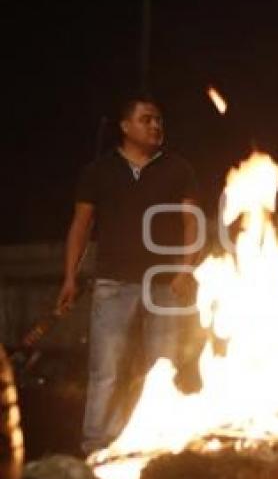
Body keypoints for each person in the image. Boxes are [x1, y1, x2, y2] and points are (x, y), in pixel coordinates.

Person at [56, 94, 200, 454]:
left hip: (165, 287)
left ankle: (156, 448)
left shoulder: (178, 169)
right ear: (125, 127)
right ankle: (97, 447)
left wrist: (185, 269)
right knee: (106, 369)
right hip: (113, 283)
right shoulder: (98, 171)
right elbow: (81, 226)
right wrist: (70, 277)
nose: (156, 126)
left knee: (161, 370)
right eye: (147, 119)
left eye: (159, 120)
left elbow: (192, 223)